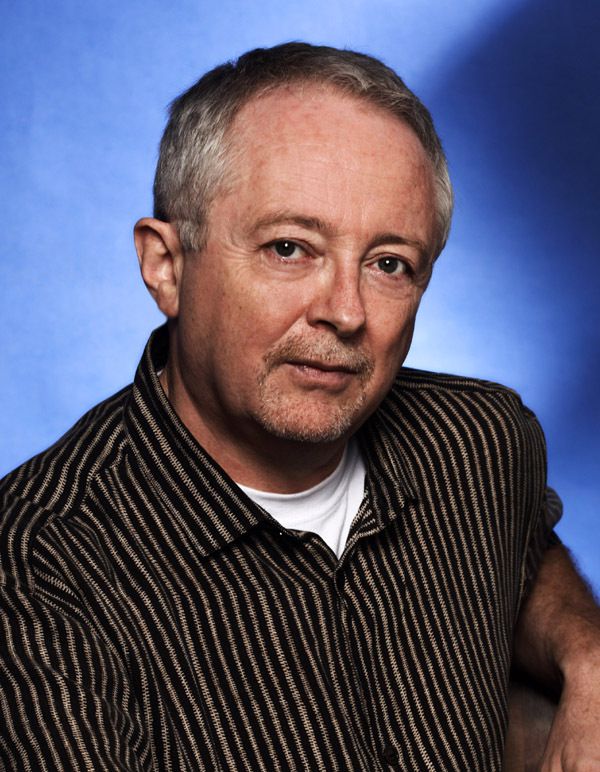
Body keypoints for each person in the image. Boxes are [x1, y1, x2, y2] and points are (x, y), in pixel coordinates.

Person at [1, 42, 598, 771]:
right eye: (290, 248)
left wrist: (587, 654)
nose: (345, 312)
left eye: (389, 264)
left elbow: (523, 552)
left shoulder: (479, 442)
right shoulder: (38, 571)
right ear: (167, 266)